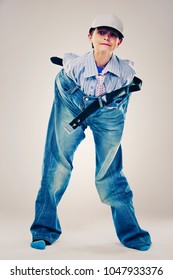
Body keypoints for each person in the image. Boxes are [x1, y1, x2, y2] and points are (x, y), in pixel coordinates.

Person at [30, 14, 151, 251]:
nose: (107, 37)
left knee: (110, 173)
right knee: (57, 165)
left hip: (109, 110)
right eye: (101, 33)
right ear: (91, 37)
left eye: (113, 35)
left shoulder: (125, 71)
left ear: (119, 43)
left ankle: (131, 233)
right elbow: (66, 64)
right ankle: (44, 230)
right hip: (71, 101)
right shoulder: (75, 66)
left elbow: (125, 94)